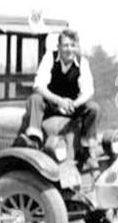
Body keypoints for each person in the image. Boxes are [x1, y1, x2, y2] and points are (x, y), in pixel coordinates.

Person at [21, 28, 101, 171]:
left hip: (72, 107)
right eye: (65, 45)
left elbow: (88, 91)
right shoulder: (49, 58)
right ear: (58, 47)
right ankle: (34, 141)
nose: (69, 49)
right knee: (35, 98)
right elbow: (38, 86)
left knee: (93, 108)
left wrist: (74, 104)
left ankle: (86, 150)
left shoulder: (83, 62)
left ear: (77, 47)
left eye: (72, 45)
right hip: (52, 105)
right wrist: (59, 101)